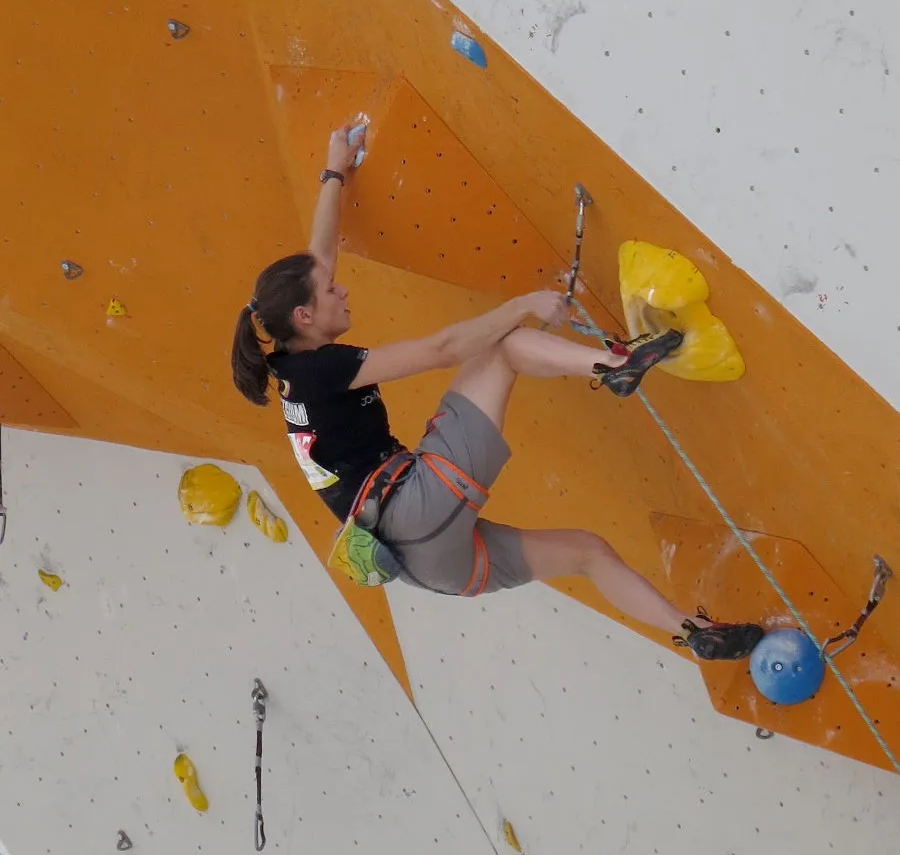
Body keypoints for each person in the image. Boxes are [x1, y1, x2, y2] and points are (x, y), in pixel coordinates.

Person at [231, 126, 764, 661]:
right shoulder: (325, 369)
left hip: (427, 567)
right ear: (304, 317)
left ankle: (695, 634)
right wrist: (523, 305)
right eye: (330, 293)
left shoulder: (292, 363)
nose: (341, 288)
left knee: (587, 552)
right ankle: (616, 364)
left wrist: (334, 172)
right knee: (503, 349)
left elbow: (317, 262)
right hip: (413, 506)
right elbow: (442, 348)